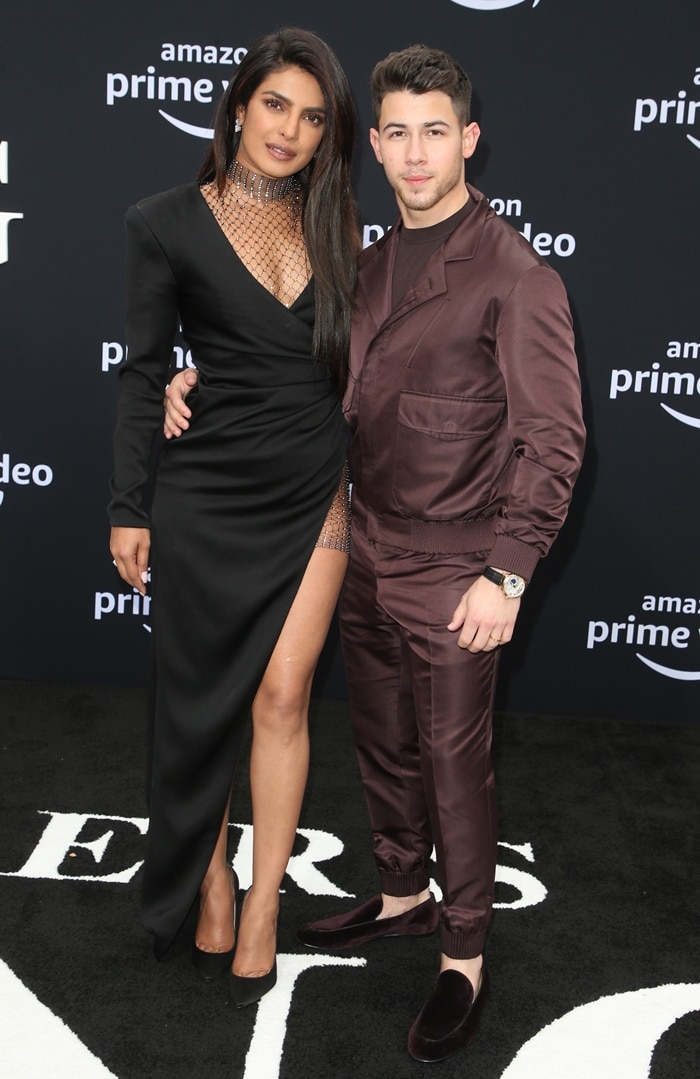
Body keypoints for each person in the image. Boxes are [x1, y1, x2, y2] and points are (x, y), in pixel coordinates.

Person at [166, 43, 585, 1062]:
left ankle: (464, 955)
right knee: (385, 745)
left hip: (457, 568)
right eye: (392, 131)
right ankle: (400, 892)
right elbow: (301, 382)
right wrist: (196, 389)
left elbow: (553, 435)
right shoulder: (365, 258)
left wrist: (507, 569)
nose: (410, 151)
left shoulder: (515, 273)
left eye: (431, 130)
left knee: (455, 764)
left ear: (467, 141)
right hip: (360, 540)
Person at [109, 27, 360, 1008]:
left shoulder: (339, 227)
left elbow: (360, 366)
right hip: (204, 489)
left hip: (314, 482)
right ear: (238, 106)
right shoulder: (162, 220)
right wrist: (128, 503)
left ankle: (261, 903)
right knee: (206, 700)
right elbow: (141, 369)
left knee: (282, 694)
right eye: (274, 106)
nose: (290, 130)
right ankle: (207, 879)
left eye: (311, 115)